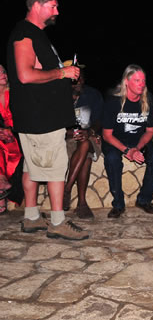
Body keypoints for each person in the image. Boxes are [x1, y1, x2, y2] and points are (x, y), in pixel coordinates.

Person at [6, 0, 87, 240]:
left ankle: (31, 217)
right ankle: (58, 221)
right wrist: (61, 73)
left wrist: (60, 70)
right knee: (55, 169)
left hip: (35, 117)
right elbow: (25, 74)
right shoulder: (24, 35)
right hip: (41, 118)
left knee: (31, 167)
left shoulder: (33, 34)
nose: (57, 12)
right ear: (36, 6)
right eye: (52, 6)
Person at [102, 65, 153, 218]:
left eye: (143, 80)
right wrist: (127, 151)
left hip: (138, 138)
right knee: (112, 159)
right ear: (126, 82)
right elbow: (107, 135)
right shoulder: (114, 101)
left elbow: (150, 131)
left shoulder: (148, 99)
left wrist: (137, 148)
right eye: (137, 80)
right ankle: (118, 204)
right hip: (116, 138)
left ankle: (144, 200)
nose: (141, 84)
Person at [63, 68, 103, 219]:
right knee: (85, 155)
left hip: (90, 136)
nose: (78, 83)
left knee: (85, 144)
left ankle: (67, 189)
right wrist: (70, 133)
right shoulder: (60, 97)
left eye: (80, 79)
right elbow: (54, 123)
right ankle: (82, 204)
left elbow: (100, 120)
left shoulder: (93, 95)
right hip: (67, 138)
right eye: (74, 80)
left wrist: (90, 131)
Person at [0, 64, 22, 214]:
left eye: (3, 71)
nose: (3, 74)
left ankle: (2, 184)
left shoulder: (15, 93)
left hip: (19, 134)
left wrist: (10, 131)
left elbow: (24, 118)